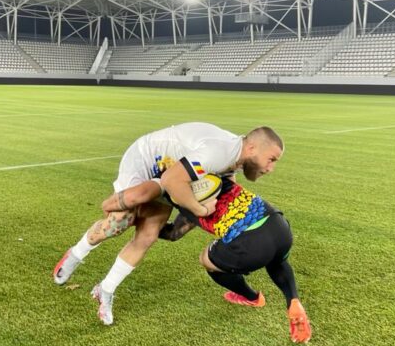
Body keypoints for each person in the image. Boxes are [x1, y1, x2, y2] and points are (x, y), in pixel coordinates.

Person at [52, 122, 284, 325]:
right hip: (147, 161)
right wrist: (199, 209)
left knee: (148, 234)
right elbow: (172, 180)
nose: (271, 168)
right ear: (252, 148)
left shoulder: (235, 158)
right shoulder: (221, 152)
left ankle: (105, 290)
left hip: (170, 172)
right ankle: (75, 255)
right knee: (118, 223)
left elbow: (206, 183)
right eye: (271, 159)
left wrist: (195, 216)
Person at [117, 176, 311, 343]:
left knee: (207, 260)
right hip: (279, 227)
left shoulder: (184, 202)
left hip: (250, 244)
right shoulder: (219, 177)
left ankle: (251, 297)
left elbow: (172, 234)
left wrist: (140, 224)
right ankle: (293, 299)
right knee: (276, 259)